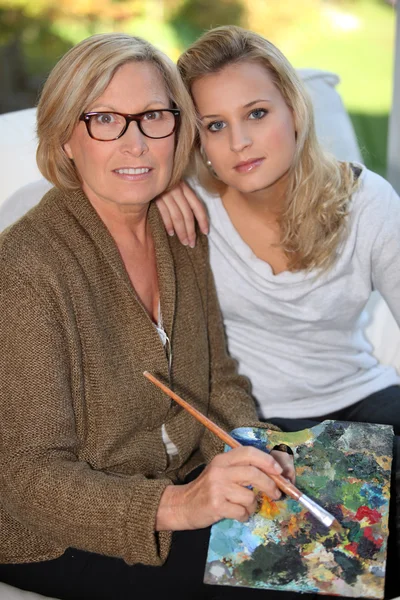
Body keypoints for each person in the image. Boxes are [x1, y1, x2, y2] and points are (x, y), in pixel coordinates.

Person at [0, 33, 297, 600]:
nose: (135, 144)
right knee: (288, 580)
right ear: (67, 136)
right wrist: (181, 504)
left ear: (178, 128)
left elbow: (217, 380)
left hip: (177, 485)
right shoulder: (24, 270)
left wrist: (252, 451)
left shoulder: (178, 232)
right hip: (57, 535)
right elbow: (26, 478)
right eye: (105, 119)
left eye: (153, 117)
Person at [155, 25, 400, 594]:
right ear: (197, 139)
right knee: (310, 554)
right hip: (247, 425)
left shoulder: (367, 203)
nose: (239, 142)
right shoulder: (186, 209)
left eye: (257, 113)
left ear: (293, 108)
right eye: (215, 126)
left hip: (359, 399)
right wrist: (158, 185)